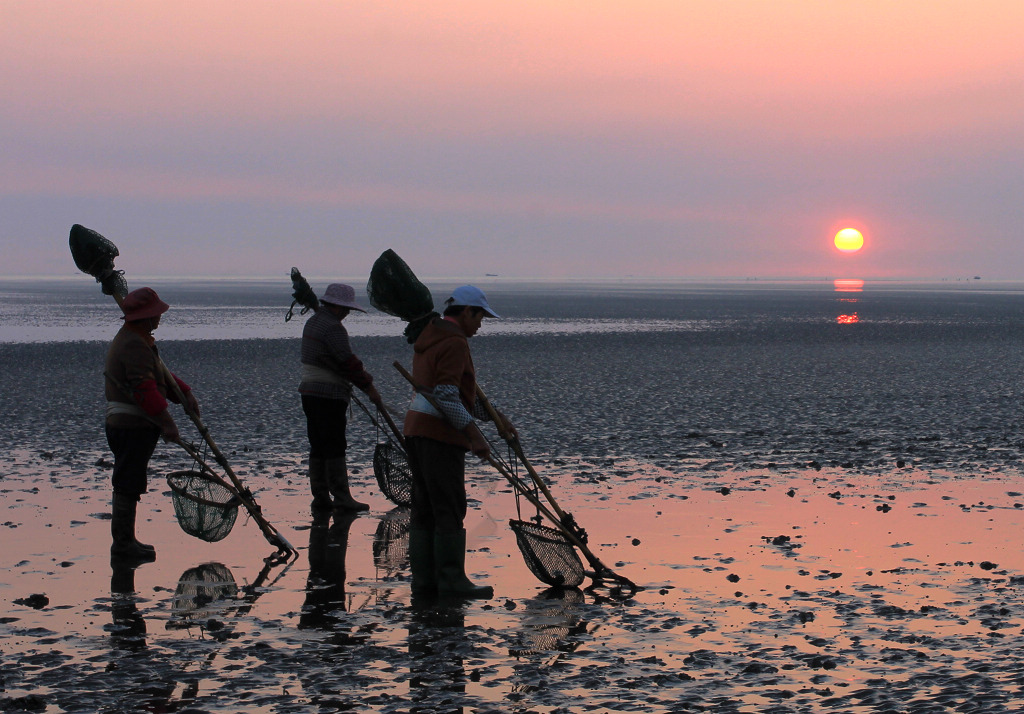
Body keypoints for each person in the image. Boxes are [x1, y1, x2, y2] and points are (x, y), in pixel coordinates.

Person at [403, 285, 515, 599]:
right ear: (467, 312)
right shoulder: (454, 343)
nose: (480, 324)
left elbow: (463, 396)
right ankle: (451, 580)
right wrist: (475, 436)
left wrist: (496, 418)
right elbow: (447, 397)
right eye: (479, 317)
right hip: (439, 435)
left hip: (416, 429)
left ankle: (425, 580)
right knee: (449, 507)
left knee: (424, 507)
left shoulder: (429, 336)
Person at [104, 287, 200, 561]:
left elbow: (160, 374)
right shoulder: (133, 344)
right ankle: (122, 545)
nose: (160, 317)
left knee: (131, 480)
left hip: (134, 424)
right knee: (127, 482)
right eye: (156, 314)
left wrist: (185, 394)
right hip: (130, 425)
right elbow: (145, 389)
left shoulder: (139, 338)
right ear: (147, 317)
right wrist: (168, 423)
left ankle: (127, 541)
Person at [299, 283, 383, 511]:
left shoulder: (313, 322)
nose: (347, 313)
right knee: (334, 444)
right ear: (335, 306)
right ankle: (342, 497)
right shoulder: (333, 327)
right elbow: (348, 363)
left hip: (309, 393)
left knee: (318, 444)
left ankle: (321, 498)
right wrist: (370, 387)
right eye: (345, 309)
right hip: (328, 395)